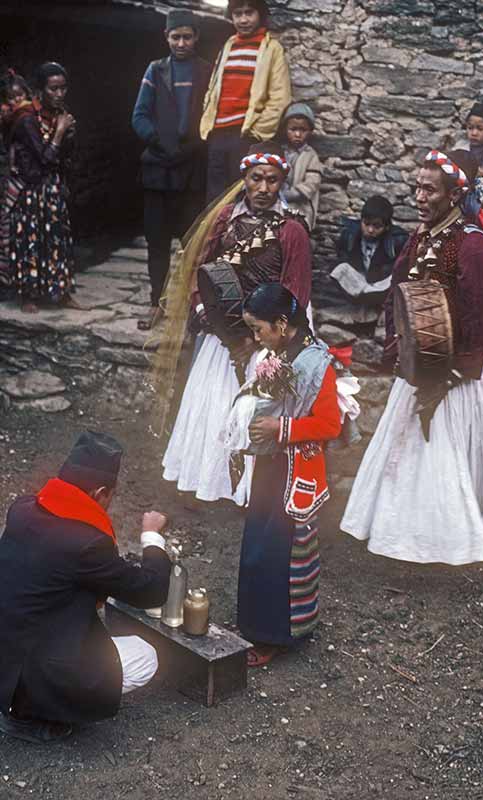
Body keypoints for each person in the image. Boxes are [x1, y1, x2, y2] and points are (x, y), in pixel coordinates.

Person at [341, 149, 483, 566]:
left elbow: (480, 320)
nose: (420, 196)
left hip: (461, 373)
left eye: (430, 189)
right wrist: (402, 351)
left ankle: (449, 536)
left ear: (452, 195)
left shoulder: (472, 245)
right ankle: (402, 531)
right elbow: (397, 297)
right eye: (417, 187)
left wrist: (448, 373)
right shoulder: (418, 239)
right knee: (410, 452)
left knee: (449, 452)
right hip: (420, 363)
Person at [161, 143, 312, 507]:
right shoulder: (225, 218)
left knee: (254, 410)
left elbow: (296, 290)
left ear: (282, 183)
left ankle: (249, 489)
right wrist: (202, 306)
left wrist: (270, 336)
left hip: (266, 339)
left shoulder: (291, 230)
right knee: (213, 403)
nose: (263, 188)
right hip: (221, 333)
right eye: (256, 178)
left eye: (272, 181)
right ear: (244, 179)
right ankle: (208, 478)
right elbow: (202, 266)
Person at [0, 431, 171, 744]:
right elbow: (151, 591)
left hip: (6, 652)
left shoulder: (21, 509)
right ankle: (36, 716)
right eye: (112, 496)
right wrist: (151, 537)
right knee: (146, 657)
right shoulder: (88, 544)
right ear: (101, 492)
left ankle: (20, 702)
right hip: (34, 673)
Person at [228, 284, 341, 666]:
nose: (255, 337)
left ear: (281, 323)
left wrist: (281, 429)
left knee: (280, 549)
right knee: (259, 541)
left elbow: (329, 424)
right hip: (271, 466)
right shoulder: (277, 353)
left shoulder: (315, 363)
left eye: (258, 328)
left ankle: (277, 635)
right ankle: (256, 624)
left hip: (296, 470)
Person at [132, 10, 211, 331]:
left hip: (191, 169)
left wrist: (192, 147)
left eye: (187, 36)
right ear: (166, 37)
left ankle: (191, 307)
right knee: (158, 242)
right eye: (175, 36)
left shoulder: (207, 72)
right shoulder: (155, 70)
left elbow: (211, 115)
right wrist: (160, 144)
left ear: (196, 38)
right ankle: (156, 303)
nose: (181, 43)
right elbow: (139, 116)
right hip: (158, 170)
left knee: (193, 243)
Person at [200, 0, 291, 203]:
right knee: (214, 198)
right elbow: (213, 88)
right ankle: (216, 235)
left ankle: (237, 235)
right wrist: (209, 120)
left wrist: (256, 134)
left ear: (260, 15)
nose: (243, 19)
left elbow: (280, 96)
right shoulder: (228, 46)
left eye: (249, 13)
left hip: (245, 135)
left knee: (240, 195)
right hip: (218, 133)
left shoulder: (271, 49)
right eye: (237, 14)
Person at [7, 61, 77, 313]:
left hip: (53, 189)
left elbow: (63, 159)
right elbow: (44, 158)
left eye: (63, 89)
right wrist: (59, 133)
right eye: (53, 89)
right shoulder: (26, 120)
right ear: (40, 91)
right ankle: (28, 295)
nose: (59, 94)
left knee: (57, 238)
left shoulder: (58, 115)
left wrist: (67, 136)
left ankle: (61, 292)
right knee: (31, 240)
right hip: (31, 190)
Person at [320, 196, 408, 341]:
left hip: (381, 286)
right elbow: (342, 260)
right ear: (361, 221)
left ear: (386, 227)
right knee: (339, 269)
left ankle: (375, 311)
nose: (370, 230)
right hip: (359, 283)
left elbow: (399, 269)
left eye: (377, 226)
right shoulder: (349, 235)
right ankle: (361, 307)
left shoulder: (397, 240)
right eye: (366, 224)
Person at [0, 70, 33, 297]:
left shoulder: (28, 115)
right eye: (10, 98)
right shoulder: (7, 117)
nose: (15, 101)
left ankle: (19, 280)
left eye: (19, 95)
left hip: (24, 176)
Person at [278, 102, 323, 231]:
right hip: (277, 204)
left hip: (300, 207)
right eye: (293, 129)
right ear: (285, 130)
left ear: (309, 131)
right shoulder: (280, 152)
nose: (297, 134)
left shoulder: (311, 156)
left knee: (294, 230)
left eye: (302, 130)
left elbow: (312, 183)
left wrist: (289, 194)